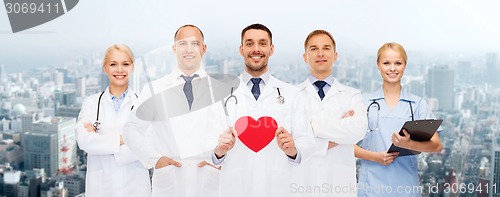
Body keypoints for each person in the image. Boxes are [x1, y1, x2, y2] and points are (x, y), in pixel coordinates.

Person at [212, 23, 315, 197]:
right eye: (250, 43)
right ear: (241, 49)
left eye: (262, 43)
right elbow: (208, 145)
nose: (256, 49)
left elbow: (308, 141)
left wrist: (293, 150)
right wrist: (218, 150)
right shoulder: (221, 94)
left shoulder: (292, 94)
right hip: (236, 187)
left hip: (278, 187)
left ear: (271, 49)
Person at [123, 24, 224, 197]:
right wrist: (154, 160)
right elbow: (131, 130)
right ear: (174, 48)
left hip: (209, 182)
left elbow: (233, 137)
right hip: (169, 182)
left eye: (195, 44)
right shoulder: (154, 89)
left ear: (203, 48)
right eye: (183, 44)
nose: (189, 50)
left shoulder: (221, 91)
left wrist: (221, 162)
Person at [355, 42, 443, 197]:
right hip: (371, 189)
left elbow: (436, 146)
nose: (392, 69)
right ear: (378, 65)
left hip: (406, 189)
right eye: (386, 63)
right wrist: (376, 157)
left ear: (405, 65)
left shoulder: (417, 105)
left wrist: (409, 144)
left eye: (398, 63)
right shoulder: (363, 103)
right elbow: (343, 145)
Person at [295, 30, 367, 197]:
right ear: (305, 57)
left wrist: (311, 127)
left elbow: (358, 130)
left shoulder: (352, 95)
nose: (320, 53)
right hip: (302, 186)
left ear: (335, 56)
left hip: (340, 187)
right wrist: (339, 131)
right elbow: (292, 140)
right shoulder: (292, 96)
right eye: (313, 49)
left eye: (326, 48)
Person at [75, 44, 151, 197]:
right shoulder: (91, 103)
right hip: (101, 189)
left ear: (132, 67)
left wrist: (100, 143)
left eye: (125, 64)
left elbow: (147, 145)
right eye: (113, 64)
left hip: (135, 189)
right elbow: (83, 140)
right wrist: (125, 139)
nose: (119, 70)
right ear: (105, 68)